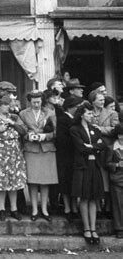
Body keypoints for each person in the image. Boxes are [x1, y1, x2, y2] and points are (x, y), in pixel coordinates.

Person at [0, 96, 27, 221]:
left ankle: (14, 209)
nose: (8, 106)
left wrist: (13, 124)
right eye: (6, 104)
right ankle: (1, 208)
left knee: (14, 181)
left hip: (14, 153)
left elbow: (24, 131)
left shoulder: (15, 117)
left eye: (9, 104)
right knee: (0, 182)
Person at [70, 102, 106, 245]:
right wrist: (94, 147)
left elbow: (102, 145)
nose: (92, 116)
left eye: (92, 113)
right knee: (84, 197)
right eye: (89, 113)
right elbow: (80, 148)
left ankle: (93, 228)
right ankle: (86, 228)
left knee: (94, 198)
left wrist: (91, 146)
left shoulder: (95, 129)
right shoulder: (75, 129)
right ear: (82, 115)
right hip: (82, 166)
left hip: (94, 165)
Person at [20, 90, 58, 222]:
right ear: (29, 101)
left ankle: (44, 209)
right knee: (33, 180)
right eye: (34, 101)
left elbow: (56, 132)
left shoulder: (50, 113)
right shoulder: (23, 114)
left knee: (45, 180)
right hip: (31, 149)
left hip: (46, 149)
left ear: (42, 100)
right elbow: (21, 131)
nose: (36, 104)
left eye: (39, 101)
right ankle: (35, 209)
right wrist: (28, 135)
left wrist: (45, 136)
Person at [90, 89, 119, 217]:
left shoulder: (112, 113)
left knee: (107, 178)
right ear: (93, 101)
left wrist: (100, 129)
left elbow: (115, 129)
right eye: (100, 100)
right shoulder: (88, 112)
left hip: (107, 149)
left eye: (103, 100)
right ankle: (97, 207)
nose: (103, 102)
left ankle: (107, 206)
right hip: (92, 149)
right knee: (95, 178)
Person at [56, 95, 81, 222]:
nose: (78, 109)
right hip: (65, 155)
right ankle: (67, 207)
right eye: (77, 106)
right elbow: (61, 139)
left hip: (75, 155)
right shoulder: (62, 119)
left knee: (74, 182)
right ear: (70, 107)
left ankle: (75, 207)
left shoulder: (77, 119)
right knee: (65, 181)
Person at [105, 123, 123, 238]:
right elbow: (107, 163)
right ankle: (119, 228)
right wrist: (117, 164)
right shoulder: (111, 147)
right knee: (117, 204)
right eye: (120, 135)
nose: (122, 137)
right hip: (116, 179)